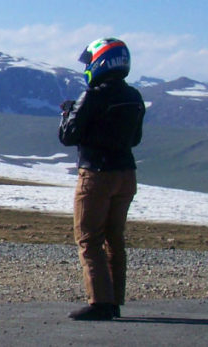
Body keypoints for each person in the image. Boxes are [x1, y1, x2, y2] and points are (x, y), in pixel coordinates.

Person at [58, 37, 145, 321]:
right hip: (126, 173)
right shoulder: (133, 96)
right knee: (114, 237)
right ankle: (115, 299)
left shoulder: (92, 96)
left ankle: (100, 302)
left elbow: (68, 136)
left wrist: (67, 114)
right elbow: (136, 138)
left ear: (101, 62)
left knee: (88, 238)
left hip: (96, 174)